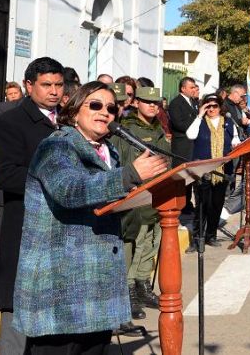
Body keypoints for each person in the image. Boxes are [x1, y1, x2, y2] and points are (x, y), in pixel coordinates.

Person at [13, 81, 168, 355]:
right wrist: (129, 176)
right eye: (95, 105)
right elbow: (69, 190)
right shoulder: (56, 147)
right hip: (61, 287)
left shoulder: (111, 151)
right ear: (73, 112)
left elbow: (109, 198)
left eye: (111, 108)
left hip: (98, 285)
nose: (105, 112)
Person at [0, 57, 64, 353]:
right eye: (46, 85)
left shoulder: (70, 118)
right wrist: (57, 182)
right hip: (26, 224)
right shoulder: (10, 121)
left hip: (63, 227)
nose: (54, 91)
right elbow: (6, 174)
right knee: (18, 305)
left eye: (59, 85)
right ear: (28, 85)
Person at [110, 86, 170, 323]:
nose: (153, 106)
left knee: (150, 245)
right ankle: (130, 291)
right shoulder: (128, 130)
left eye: (156, 103)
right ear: (137, 104)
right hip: (138, 198)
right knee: (135, 245)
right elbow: (124, 163)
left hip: (158, 196)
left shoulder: (157, 129)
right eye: (147, 102)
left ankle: (143, 285)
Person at [186, 93, 235, 249]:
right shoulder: (200, 121)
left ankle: (211, 235)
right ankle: (197, 239)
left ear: (220, 107)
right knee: (202, 205)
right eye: (208, 105)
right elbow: (190, 135)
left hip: (222, 171)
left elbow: (235, 140)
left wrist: (236, 144)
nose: (211, 109)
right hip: (203, 172)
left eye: (215, 106)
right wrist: (199, 115)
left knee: (216, 205)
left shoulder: (228, 122)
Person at [168, 77, 200, 218]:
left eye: (195, 87)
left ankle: (188, 203)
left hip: (193, 144)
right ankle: (182, 204)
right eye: (192, 87)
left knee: (191, 176)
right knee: (182, 177)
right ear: (183, 88)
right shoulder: (176, 103)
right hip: (182, 145)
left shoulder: (193, 102)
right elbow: (179, 124)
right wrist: (197, 120)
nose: (194, 90)